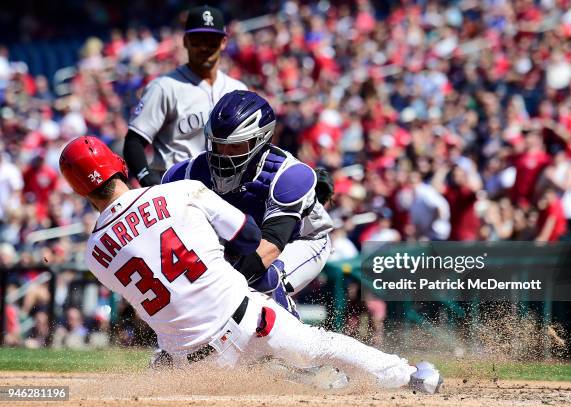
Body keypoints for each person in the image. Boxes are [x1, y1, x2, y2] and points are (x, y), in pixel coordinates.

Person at [59, 136, 442, 393]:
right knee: (318, 344)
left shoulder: (95, 252)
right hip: (251, 322)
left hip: (193, 363)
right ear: (120, 166)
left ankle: (286, 374)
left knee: (164, 367)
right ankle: (410, 377)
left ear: (79, 190)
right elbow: (247, 237)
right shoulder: (179, 191)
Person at [162, 90, 335, 315]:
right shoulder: (184, 175)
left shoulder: (287, 175)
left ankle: (292, 346)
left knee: (265, 281)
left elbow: (271, 245)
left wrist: (219, 287)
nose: (223, 155)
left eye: (235, 146)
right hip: (240, 242)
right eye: (218, 145)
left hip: (301, 240)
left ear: (260, 140)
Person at [123, 5, 247, 187]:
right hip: (179, 188)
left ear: (223, 42)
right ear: (185, 41)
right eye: (197, 40)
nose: (204, 47)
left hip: (227, 189)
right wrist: (149, 181)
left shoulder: (237, 89)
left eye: (212, 40)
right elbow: (134, 142)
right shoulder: (164, 87)